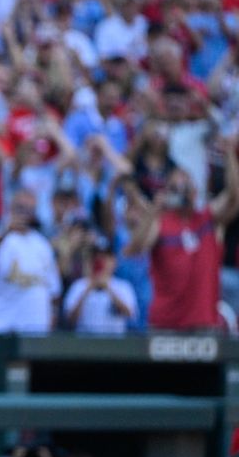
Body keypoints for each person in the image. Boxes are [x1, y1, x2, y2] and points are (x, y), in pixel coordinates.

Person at [127, 140, 239, 331]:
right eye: (175, 187)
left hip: (203, 323)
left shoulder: (207, 219)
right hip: (165, 324)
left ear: (195, 191)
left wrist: (229, 155)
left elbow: (233, 198)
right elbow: (136, 249)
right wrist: (154, 210)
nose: (182, 191)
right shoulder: (161, 222)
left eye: (186, 185)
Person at [0, 189, 62, 335]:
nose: (24, 214)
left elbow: (53, 290)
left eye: (30, 210)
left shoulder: (42, 244)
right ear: (10, 208)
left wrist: (51, 318)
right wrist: (5, 232)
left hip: (36, 329)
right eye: (21, 208)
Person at [63, 239, 138, 335]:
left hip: (114, 344)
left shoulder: (123, 286)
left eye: (105, 257)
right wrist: (87, 290)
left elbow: (129, 314)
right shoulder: (79, 286)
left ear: (113, 261)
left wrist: (108, 288)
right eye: (95, 257)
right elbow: (70, 320)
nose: (100, 260)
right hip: (85, 343)